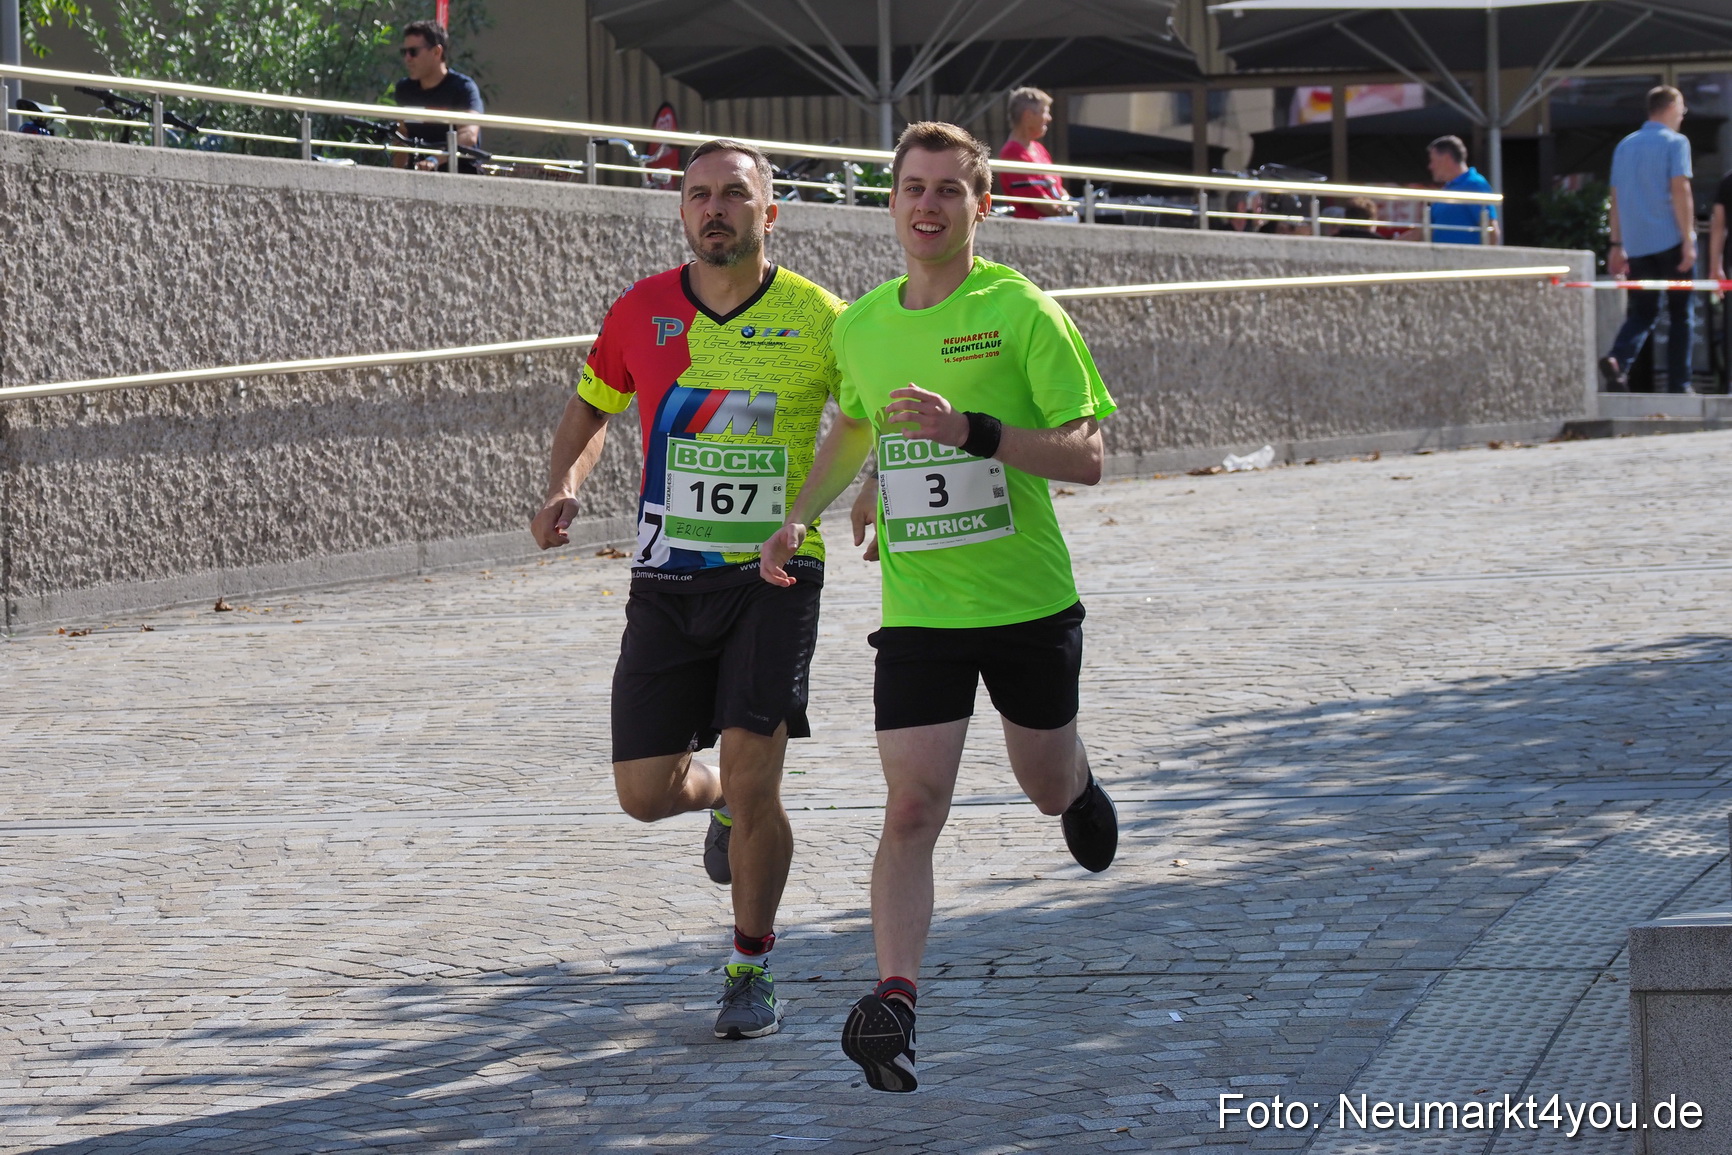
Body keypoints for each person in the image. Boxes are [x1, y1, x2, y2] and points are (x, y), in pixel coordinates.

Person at [759, 121, 1120, 1093]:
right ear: (891, 203)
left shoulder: (1020, 312)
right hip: (920, 610)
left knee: (1041, 782)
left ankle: (1077, 787)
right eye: (912, 188)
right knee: (913, 805)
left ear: (982, 204)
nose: (927, 206)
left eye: (948, 191)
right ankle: (896, 1005)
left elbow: (1086, 456)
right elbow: (857, 422)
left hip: (1027, 602)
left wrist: (973, 431)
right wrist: (807, 511)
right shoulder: (864, 324)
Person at [529, 139, 844, 1040]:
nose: (716, 209)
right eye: (699, 195)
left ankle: (751, 964)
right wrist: (566, 483)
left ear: (768, 214)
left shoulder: (821, 318)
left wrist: (853, 494)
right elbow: (592, 405)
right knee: (643, 792)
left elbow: (864, 415)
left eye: (735, 196)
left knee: (760, 774)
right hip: (667, 577)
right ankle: (722, 804)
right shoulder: (640, 310)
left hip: (774, 573)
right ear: (681, 213)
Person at [1602, 86, 1696, 393]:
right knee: (1682, 313)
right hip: (1670, 239)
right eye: (1681, 108)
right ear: (1669, 107)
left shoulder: (1625, 146)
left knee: (1643, 311)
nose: (1683, 115)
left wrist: (1616, 245)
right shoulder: (1676, 142)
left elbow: (1615, 198)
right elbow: (1680, 190)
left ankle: (1618, 359)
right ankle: (1679, 385)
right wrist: (1688, 239)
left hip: (1637, 244)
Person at [392, 20, 484, 173]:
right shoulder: (404, 89)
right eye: (404, 52)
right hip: (418, 176)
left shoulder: (463, 87)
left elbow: (469, 135)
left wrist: (434, 159)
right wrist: (397, 175)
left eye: (413, 52)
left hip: (462, 176)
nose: (407, 58)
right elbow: (402, 134)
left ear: (436, 52)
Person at [996, 87, 1076, 221]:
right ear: (1028, 116)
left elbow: (1057, 186)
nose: (1049, 118)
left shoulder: (1038, 147)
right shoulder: (1012, 152)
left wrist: (1067, 204)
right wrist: (1063, 210)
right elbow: (1037, 199)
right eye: (1044, 112)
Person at [1411, 136, 1499, 245]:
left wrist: (1484, 259)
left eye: (1432, 160)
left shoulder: (1474, 184)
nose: (1430, 166)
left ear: (1446, 159)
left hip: (1465, 259)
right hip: (1440, 259)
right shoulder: (1446, 190)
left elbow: (1492, 231)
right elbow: (1420, 232)